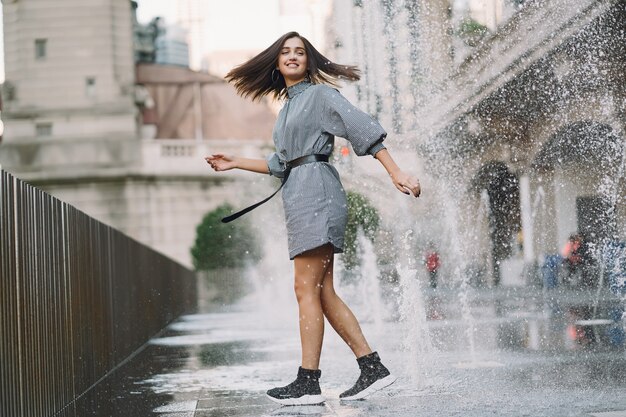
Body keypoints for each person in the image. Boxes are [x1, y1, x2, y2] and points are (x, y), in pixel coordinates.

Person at [206, 31, 421, 406]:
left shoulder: (321, 95)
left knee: (305, 288)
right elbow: (282, 163)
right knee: (320, 291)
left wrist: (395, 172)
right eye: (285, 52)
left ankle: (309, 380)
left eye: (299, 52)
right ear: (276, 62)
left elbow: (362, 127)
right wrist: (236, 161)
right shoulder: (288, 108)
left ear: (309, 60)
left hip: (317, 193)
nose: (292, 56)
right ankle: (370, 367)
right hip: (303, 191)